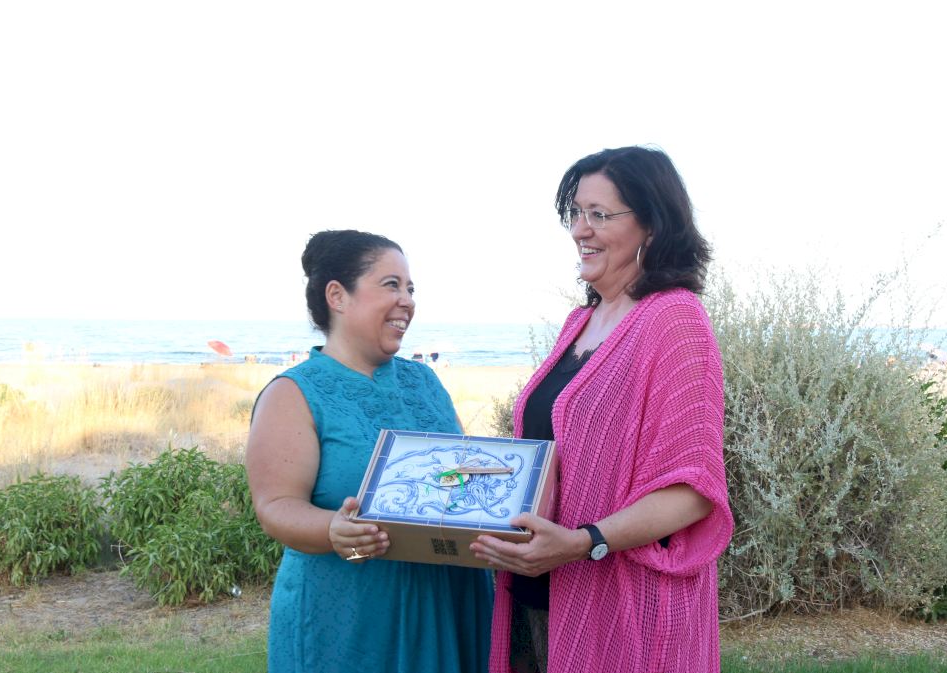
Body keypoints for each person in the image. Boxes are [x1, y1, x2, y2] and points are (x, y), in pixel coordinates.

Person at [470, 147, 733, 672]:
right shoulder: (580, 323)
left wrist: (582, 542)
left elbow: (692, 492)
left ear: (652, 225)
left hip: (626, 608)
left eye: (599, 214)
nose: (579, 231)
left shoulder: (674, 320)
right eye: (575, 213)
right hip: (540, 594)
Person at [246, 230, 492, 673]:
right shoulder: (293, 393)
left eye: (411, 288)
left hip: (451, 598)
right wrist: (332, 529)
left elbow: (457, 473)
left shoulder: (425, 382)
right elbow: (276, 506)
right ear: (337, 296)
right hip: (351, 613)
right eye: (391, 285)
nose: (407, 301)